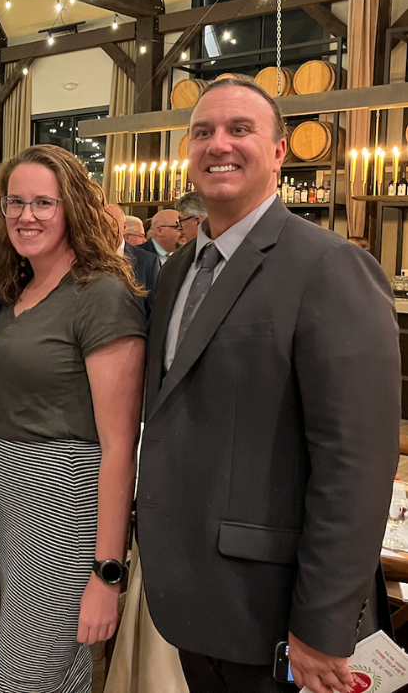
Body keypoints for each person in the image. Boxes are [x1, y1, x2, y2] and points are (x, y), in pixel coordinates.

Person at [136, 77, 400, 693]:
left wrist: (324, 624)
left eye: (239, 129)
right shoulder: (176, 272)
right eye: (202, 131)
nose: (218, 144)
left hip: (279, 611)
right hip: (196, 599)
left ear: (280, 153)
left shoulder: (329, 266)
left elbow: (356, 464)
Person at [0, 144, 145, 693]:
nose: (27, 216)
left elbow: (119, 446)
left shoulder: (102, 294)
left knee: (20, 680)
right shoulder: (19, 289)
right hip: (9, 507)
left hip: (61, 507)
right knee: (57, 678)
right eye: (15, 202)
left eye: (44, 202)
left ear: (72, 205)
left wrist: (106, 575)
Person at [107, 204, 158, 319]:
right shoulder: (86, 256)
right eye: (101, 226)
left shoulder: (147, 261)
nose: (106, 231)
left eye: (112, 226)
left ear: (124, 227)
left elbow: (153, 307)